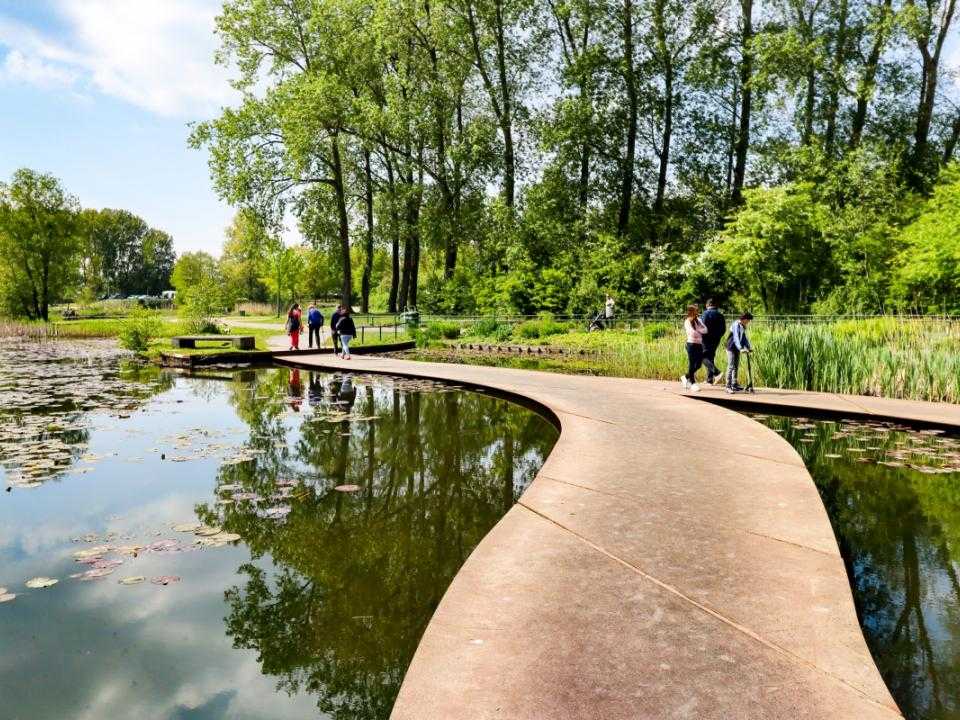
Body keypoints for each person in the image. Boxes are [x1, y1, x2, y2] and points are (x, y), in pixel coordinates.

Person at [680, 304, 708, 392]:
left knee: (699, 364)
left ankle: (685, 377)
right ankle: (692, 383)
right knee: (692, 363)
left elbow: (706, 330)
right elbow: (692, 333)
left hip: (699, 344)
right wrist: (700, 331)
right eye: (696, 310)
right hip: (691, 344)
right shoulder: (687, 321)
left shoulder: (699, 320)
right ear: (691, 311)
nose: (698, 312)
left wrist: (699, 330)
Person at [725, 311, 754, 392]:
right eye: (748, 320)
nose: (748, 322)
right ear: (744, 319)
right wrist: (740, 348)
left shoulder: (742, 326)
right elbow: (736, 337)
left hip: (737, 348)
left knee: (736, 366)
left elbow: (743, 338)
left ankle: (734, 384)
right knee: (731, 366)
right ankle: (728, 386)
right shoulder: (736, 324)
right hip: (731, 347)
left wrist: (748, 347)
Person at [700, 299, 726, 385]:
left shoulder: (705, 314)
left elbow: (701, 327)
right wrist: (718, 336)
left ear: (707, 305)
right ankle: (709, 380)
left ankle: (717, 373)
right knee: (710, 357)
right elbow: (723, 329)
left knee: (701, 357)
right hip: (716, 340)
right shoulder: (720, 315)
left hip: (705, 339)